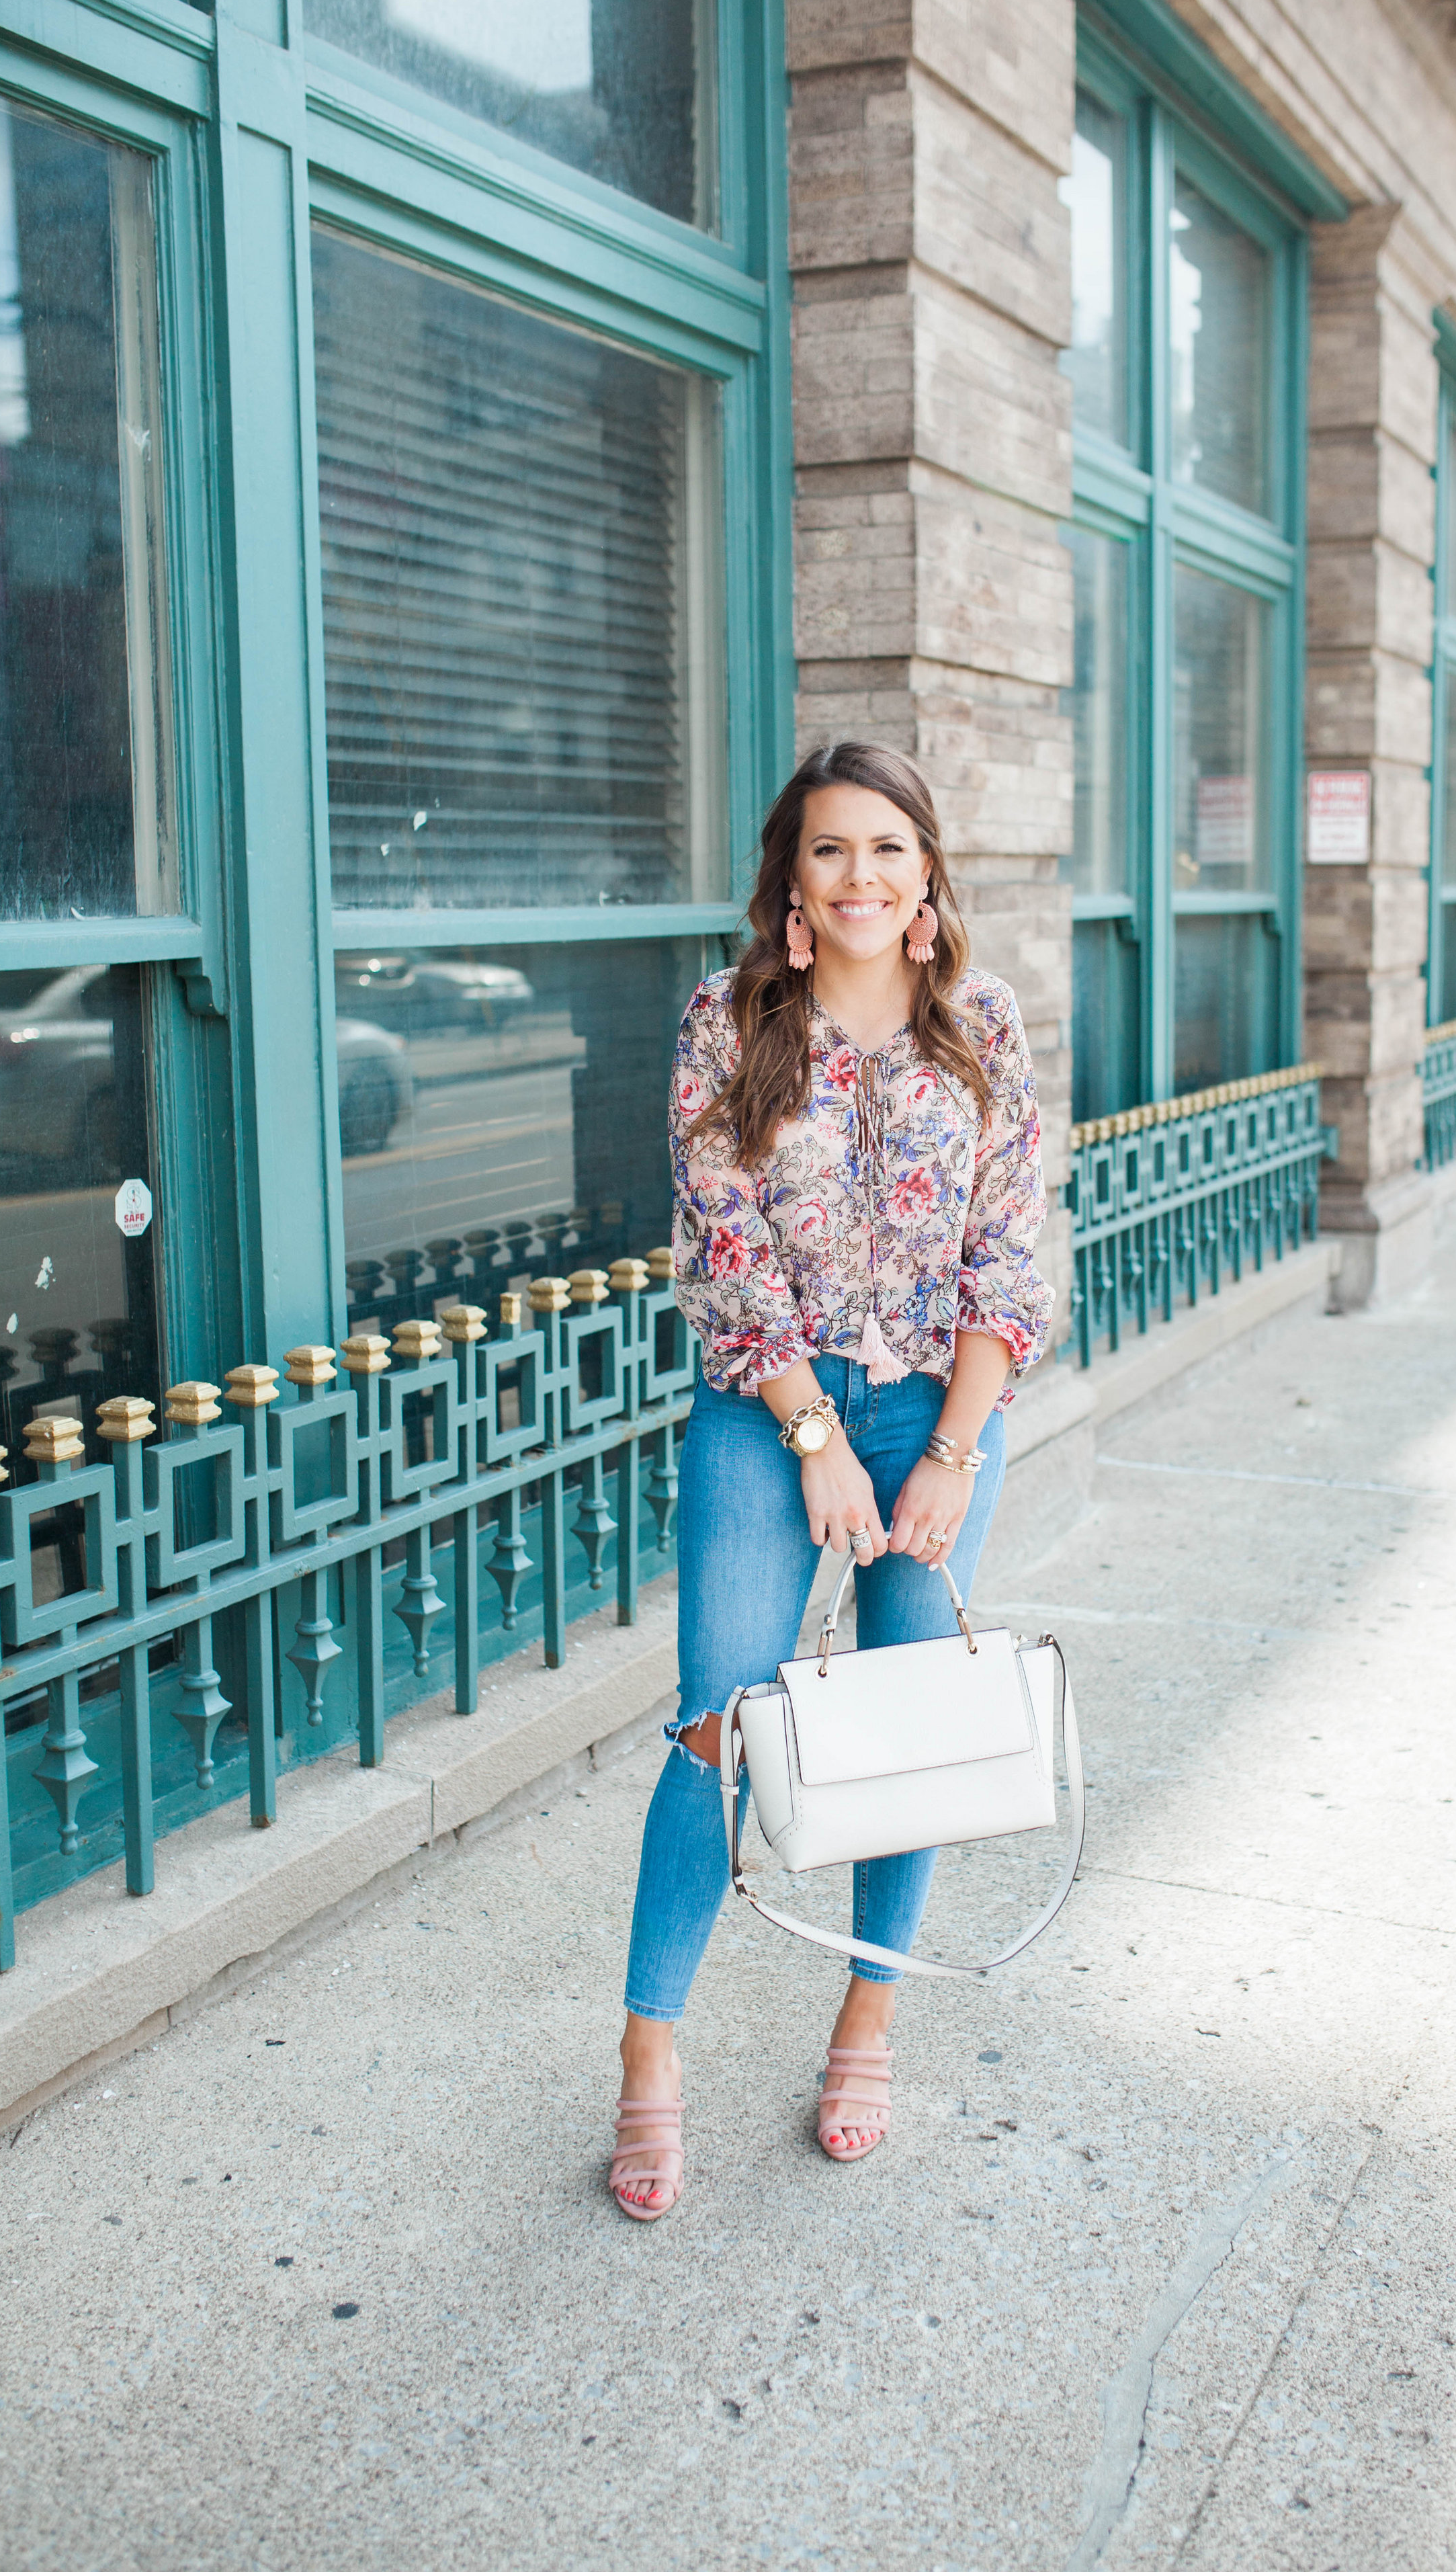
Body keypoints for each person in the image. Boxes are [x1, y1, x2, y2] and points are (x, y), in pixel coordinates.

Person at [609, 740, 1054, 2220]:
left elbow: (1009, 1255)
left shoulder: (984, 1026)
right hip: (763, 1408)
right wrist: (810, 1436)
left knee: (909, 1719)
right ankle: (649, 2048)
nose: (858, 875)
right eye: (826, 851)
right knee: (714, 1726)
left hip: (936, 1409)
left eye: (884, 847)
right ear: (788, 880)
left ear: (925, 872)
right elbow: (720, 1244)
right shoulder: (726, 1023)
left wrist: (945, 1452)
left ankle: (868, 2013)